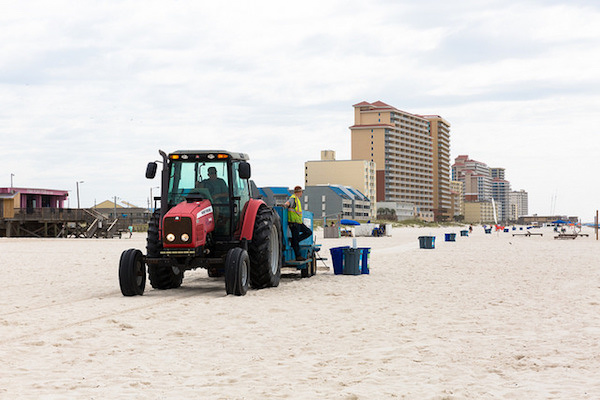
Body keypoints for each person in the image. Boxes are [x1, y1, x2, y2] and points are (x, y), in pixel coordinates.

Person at [284, 186, 312, 261]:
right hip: (294, 223)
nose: (301, 193)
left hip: (298, 222)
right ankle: (298, 256)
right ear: (299, 192)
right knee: (296, 240)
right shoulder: (293, 198)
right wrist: (285, 205)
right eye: (301, 192)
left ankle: (293, 241)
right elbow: (288, 203)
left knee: (308, 232)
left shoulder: (297, 200)